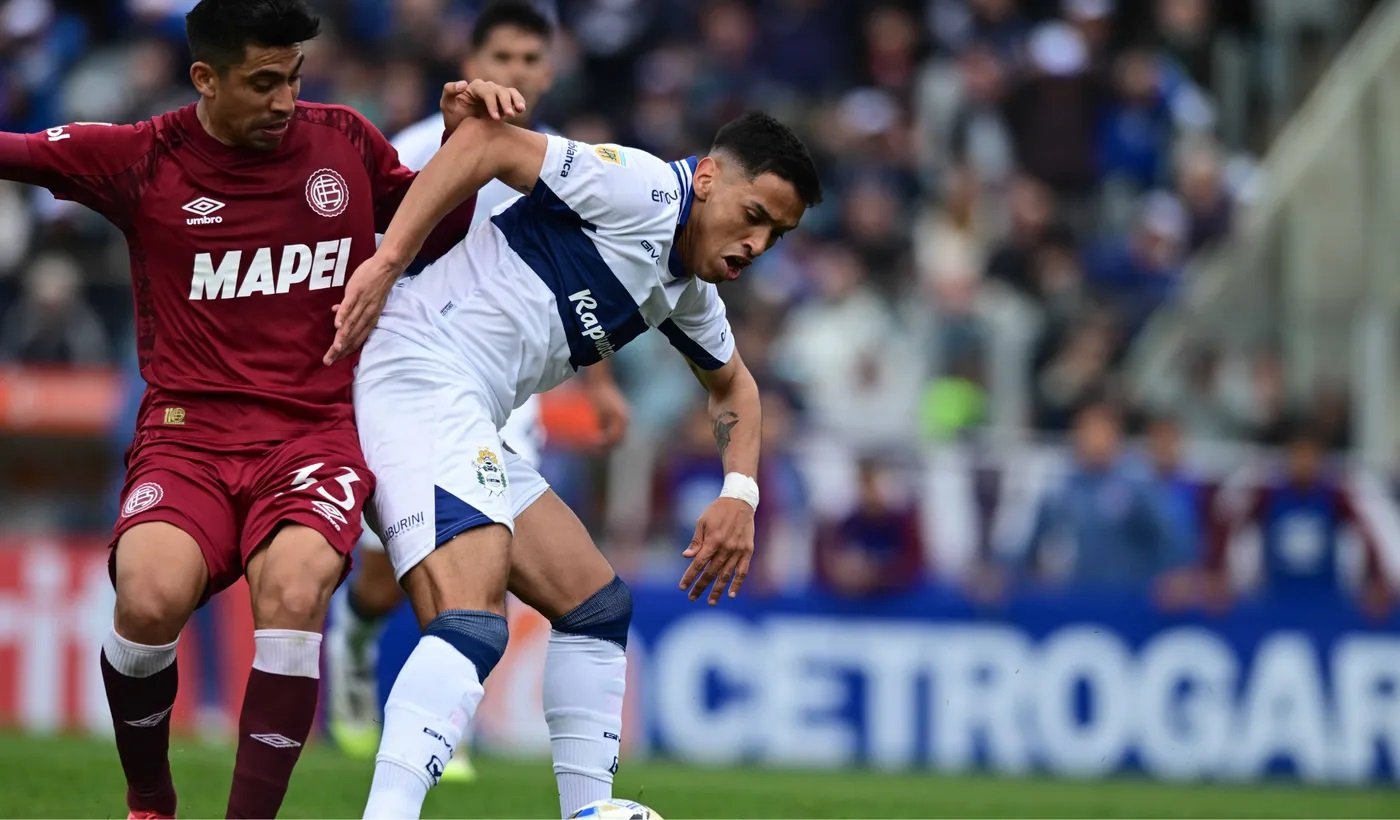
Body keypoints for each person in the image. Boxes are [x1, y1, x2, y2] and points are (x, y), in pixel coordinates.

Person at [0, 1, 518, 816]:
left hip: (313, 434)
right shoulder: (142, 157)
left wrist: (461, 143)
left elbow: (438, 225)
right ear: (205, 78)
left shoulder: (344, 141)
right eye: (264, 82)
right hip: (187, 437)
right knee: (146, 598)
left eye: (295, 79)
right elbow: (18, 152)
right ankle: (150, 800)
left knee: (297, 591)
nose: (285, 100)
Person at [325, 111, 821, 818]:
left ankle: (587, 812)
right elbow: (487, 141)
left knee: (595, 607)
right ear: (708, 179)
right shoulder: (642, 189)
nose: (759, 244)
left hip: (466, 407)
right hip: (416, 369)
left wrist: (739, 492)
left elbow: (735, 387)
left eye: (778, 234)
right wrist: (386, 261)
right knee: (472, 618)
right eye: (754, 216)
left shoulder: (687, 291)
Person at [324, 1, 631, 780]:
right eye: (503, 57)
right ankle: (355, 642)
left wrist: (600, 385)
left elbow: (576, 290)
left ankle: (442, 722)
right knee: (386, 573)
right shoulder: (417, 149)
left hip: (507, 396)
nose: (516, 72)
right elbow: (364, 262)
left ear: (549, 72)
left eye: (530, 60)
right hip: (411, 376)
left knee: (485, 550)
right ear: (473, 63)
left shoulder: (565, 166)